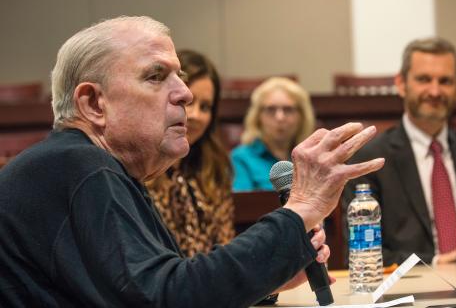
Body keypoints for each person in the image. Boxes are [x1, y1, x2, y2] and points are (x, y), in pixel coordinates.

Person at [0, 16, 384, 307]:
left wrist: (266, 277)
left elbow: (171, 285)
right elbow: (167, 299)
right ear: (93, 103)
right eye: (156, 76)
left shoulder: (89, 166)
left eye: (179, 76)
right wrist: (299, 208)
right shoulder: (78, 167)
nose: (184, 93)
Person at [342, 37, 456, 266]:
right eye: (424, 79)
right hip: (412, 287)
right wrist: (437, 262)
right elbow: (363, 254)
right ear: (401, 84)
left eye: (445, 81)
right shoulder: (370, 160)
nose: (435, 91)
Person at [146, 49, 235, 258]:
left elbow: (225, 246)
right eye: (189, 102)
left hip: (210, 284)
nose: (195, 115)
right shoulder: (139, 169)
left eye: (205, 107)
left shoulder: (213, 167)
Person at [231, 77, 315, 191]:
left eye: (288, 109)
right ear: (258, 116)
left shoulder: (312, 157)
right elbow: (244, 205)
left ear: (302, 116)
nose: (280, 117)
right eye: (271, 109)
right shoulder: (241, 158)